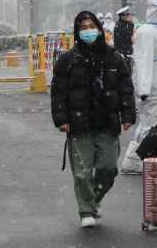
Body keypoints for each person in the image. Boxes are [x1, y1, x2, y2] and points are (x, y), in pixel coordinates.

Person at [51, 12, 136, 227]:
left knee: (109, 167)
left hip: (107, 122)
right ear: (78, 32)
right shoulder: (68, 59)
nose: (88, 30)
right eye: (83, 27)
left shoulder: (114, 57)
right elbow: (58, 92)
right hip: (79, 124)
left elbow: (125, 88)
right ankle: (86, 211)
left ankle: (93, 200)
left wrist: (127, 114)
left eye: (91, 26)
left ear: (99, 28)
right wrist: (61, 119)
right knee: (82, 173)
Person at [120, 0, 157, 174]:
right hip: (151, 88)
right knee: (148, 124)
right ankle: (136, 159)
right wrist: (144, 88)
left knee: (151, 123)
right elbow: (143, 62)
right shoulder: (147, 31)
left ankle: (136, 159)